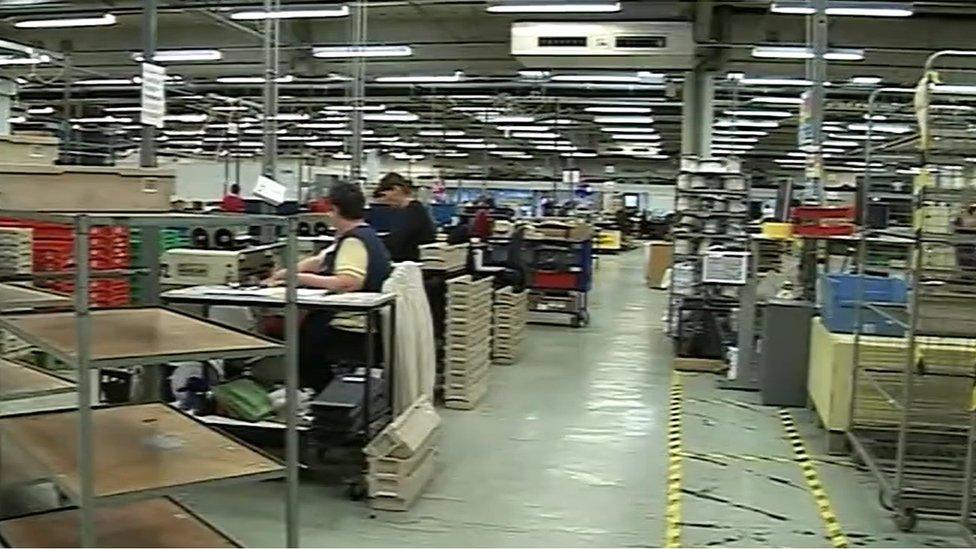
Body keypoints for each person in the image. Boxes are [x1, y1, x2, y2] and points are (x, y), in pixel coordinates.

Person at [265, 182, 392, 389]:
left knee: (300, 343)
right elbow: (321, 260)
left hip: (350, 321)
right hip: (362, 316)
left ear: (334, 210)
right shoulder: (362, 234)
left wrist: (297, 279)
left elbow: (348, 283)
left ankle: (319, 393)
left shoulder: (354, 241)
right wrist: (285, 274)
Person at [373, 172, 436, 261]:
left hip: (412, 263)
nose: (384, 201)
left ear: (397, 189)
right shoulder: (404, 211)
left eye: (385, 196)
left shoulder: (414, 211)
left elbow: (398, 239)